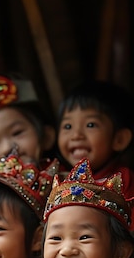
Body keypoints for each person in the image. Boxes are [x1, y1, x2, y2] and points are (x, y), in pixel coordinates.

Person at [57, 79, 134, 219]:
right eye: (68, 126)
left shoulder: (124, 181)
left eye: (91, 125)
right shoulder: (57, 178)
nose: (76, 135)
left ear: (119, 139)